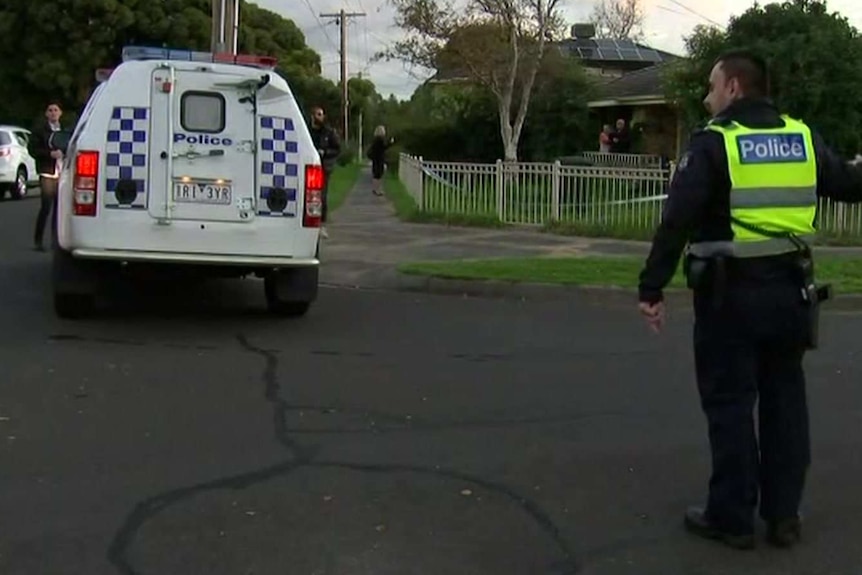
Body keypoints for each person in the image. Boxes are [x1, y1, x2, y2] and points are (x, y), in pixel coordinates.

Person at [637, 49, 862, 550]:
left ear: (734, 88)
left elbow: (677, 220)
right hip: (791, 295)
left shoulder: (715, 144)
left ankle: (732, 516)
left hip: (729, 298)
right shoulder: (801, 138)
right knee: (786, 403)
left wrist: (651, 287)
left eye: (712, 86)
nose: (706, 95)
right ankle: (784, 516)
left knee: (731, 405)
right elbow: (849, 184)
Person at [30, 101, 65, 251]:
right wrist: (49, 154)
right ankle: (38, 240)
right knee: (46, 207)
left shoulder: (65, 131)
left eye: (55, 110)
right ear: (46, 114)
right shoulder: (40, 131)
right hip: (47, 172)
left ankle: (55, 240)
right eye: (50, 110)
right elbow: (33, 149)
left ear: (60, 113)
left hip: (62, 172)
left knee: (60, 209)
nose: (53, 113)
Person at [308, 106, 341, 239]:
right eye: (317, 114)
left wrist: (325, 152)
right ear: (312, 116)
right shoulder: (307, 131)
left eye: (321, 114)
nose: (319, 117)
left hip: (323, 168)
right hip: (308, 166)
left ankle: (321, 225)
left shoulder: (329, 132)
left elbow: (337, 149)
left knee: (321, 196)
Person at [367, 125, 394, 196]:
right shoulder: (380, 140)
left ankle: (375, 189)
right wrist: (390, 143)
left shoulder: (375, 139)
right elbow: (384, 147)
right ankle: (377, 190)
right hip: (379, 159)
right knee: (379, 174)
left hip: (375, 159)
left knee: (376, 174)